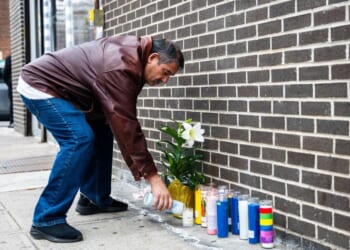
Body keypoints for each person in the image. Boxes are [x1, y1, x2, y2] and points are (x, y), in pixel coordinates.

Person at [17, 36, 184, 243]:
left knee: (103, 131)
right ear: (153, 57)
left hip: (73, 93)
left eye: (170, 76)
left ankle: (94, 198)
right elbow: (127, 125)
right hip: (41, 85)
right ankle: (47, 219)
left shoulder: (134, 59)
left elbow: (119, 119)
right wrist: (153, 177)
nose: (165, 80)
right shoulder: (121, 67)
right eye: (165, 72)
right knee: (79, 140)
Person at [3, 54, 13, 128]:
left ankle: (12, 121)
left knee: (13, 103)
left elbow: (5, 74)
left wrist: (9, 83)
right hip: (12, 84)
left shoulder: (9, 58)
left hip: (12, 84)